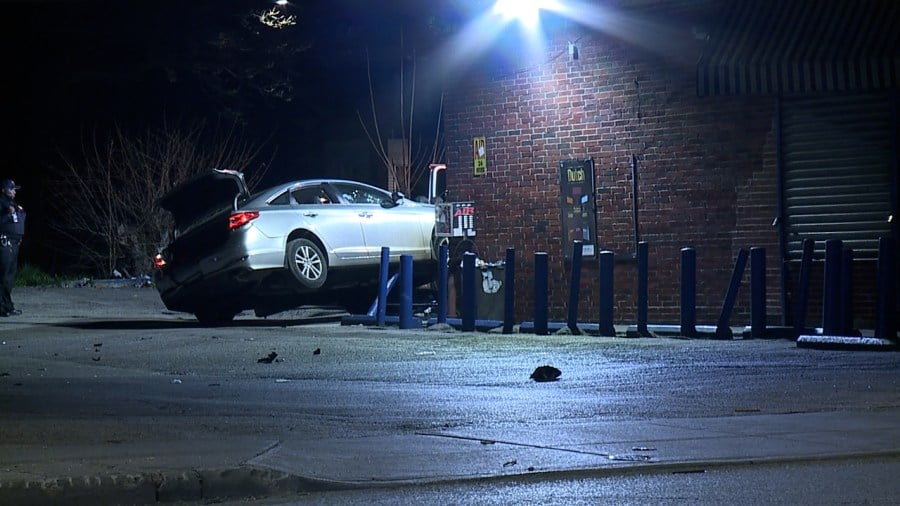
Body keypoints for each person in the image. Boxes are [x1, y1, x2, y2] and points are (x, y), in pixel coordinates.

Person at [0, 179, 25, 316]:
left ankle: (8, 306)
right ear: (4, 190)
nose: (14, 191)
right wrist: (7, 214)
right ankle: (1, 307)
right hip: (4, 243)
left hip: (15, 243)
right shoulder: (2, 203)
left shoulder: (13, 203)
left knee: (9, 278)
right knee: (2, 277)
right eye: (12, 189)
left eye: (15, 189)